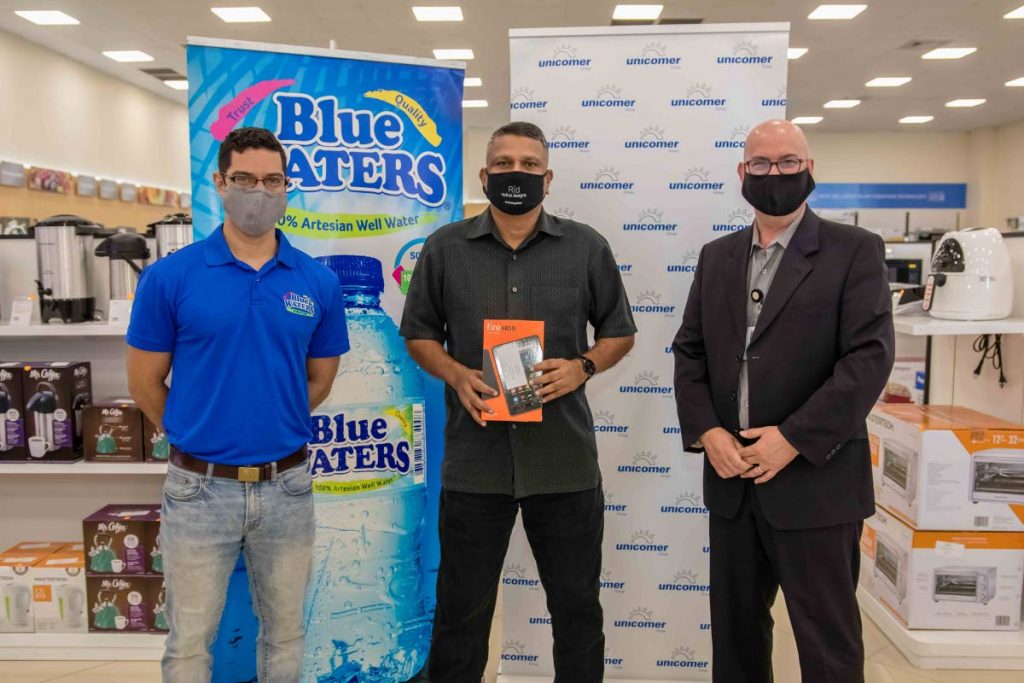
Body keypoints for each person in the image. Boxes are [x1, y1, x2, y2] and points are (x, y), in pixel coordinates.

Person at [400, 121, 636, 682]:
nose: (516, 174)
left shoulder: (585, 247)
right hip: (474, 464)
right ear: (484, 176)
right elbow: (418, 334)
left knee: (577, 612)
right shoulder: (444, 248)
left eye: (530, 165)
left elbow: (620, 332)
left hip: (563, 461)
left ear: (548, 178)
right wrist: (456, 375)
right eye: (504, 163)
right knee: (461, 616)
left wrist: (582, 367)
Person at [672, 119, 894, 682]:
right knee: (737, 638)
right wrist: (709, 433)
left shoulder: (854, 251)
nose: (776, 174)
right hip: (731, 482)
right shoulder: (716, 257)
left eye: (788, 162)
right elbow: (690, 351)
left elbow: (867, 361)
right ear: (742, 173)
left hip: (816, 485)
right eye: (763, 164)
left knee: (828, 642)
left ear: (810, 169)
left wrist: (792, 440)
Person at [126, 127, 349, 683]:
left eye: (272, 180)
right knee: (190, 640)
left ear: (287, 187)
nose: (259, 191)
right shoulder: (170, 277)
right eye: (245, 179)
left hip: (289, 485)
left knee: (286, 633)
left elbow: (320, 379)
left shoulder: (317, 282)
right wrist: (193, 429)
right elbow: (145, 383)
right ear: (220, 183)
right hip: (199, 487)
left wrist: (274, 417)